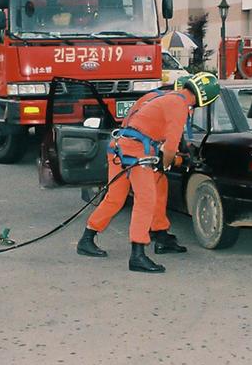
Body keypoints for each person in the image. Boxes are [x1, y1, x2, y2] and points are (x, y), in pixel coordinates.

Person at [79, 72, 219, 273]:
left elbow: (137, 122)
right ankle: (137, 255)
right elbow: (170, 148)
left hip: (119, 147)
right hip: (137, 153)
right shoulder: (180, 106)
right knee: (146, 200)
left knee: (121, 196)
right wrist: (168, 163)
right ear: (204, 100)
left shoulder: (157, 96)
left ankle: (88, 239)